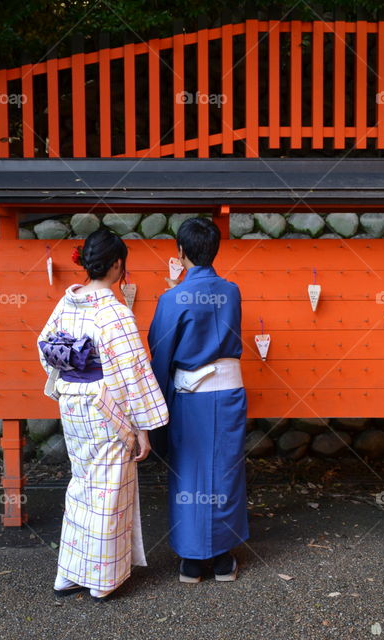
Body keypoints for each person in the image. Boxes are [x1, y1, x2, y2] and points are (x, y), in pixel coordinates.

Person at [37, 229, 169, 602]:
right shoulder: (113, 312)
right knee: (109, 491)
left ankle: (69, 573)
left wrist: (73, 374)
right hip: (106, 408)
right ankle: (102, 578)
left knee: (82, 485)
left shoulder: (67, 303)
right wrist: (143, 427)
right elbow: (133, 372)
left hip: (72, 403)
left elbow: (46, 347)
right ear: (117, 264)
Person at [147, 217, 249, 584]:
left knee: (189, 473)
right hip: (229, 394)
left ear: (180, 251)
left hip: (190, 399)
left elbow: (160, 351)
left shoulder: (171, 299)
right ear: (215, 250)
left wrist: (155, 411)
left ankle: (192, 560)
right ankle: (222, 558)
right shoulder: (232, 292)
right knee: (225, 471)